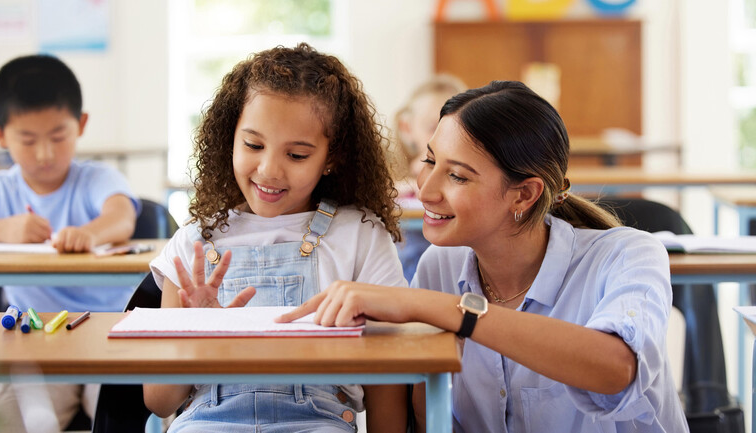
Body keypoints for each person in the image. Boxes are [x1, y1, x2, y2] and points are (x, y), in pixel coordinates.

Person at [279, 81, 690, 432]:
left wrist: (444, 310)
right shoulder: (440, 268)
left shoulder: (629, 254)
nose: (425, 191)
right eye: (430, 161)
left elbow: (615, 370)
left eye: (457, 175)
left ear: (524, 194)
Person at [143, 43, 408, 432]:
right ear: (229, 137)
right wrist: (197, 332)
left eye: (297, 155)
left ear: (332, 157)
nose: (269, 170)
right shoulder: (194, 242)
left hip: (318, 423)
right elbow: (159, 400)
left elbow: (389, 374)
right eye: (253, 145)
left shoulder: (360, 234)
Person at [0, 54, 140, 432]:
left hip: (110, 339)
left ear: (81, 124)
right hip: (36, 344)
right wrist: (0, 228)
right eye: (27, 139)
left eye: (58, 137)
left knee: (124, 414)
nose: (45, 153)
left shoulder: (94, 178)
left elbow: (122, 215)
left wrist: (90, 233)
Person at [391, 74, 467, 282]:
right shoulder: (395, 172)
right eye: (433, 127)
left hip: (452, 274)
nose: (444, 137)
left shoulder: (468, 172)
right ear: (407, 128)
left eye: (457, 129)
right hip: (404, 277)